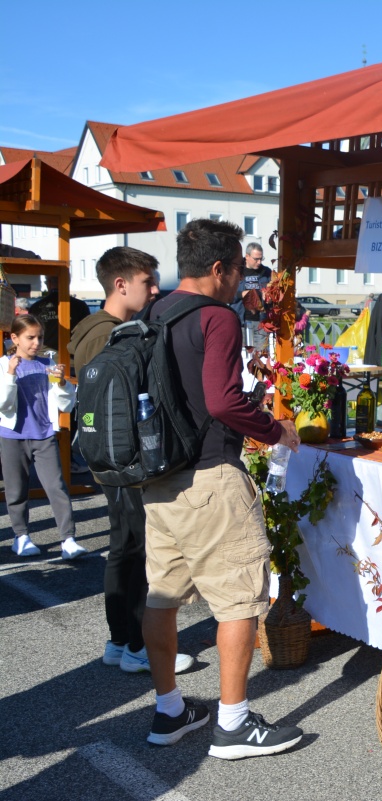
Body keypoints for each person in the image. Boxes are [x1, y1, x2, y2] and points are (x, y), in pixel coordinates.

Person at [139, 218, 302, 759]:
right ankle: (232, 724)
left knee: (162, 597)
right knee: (237, 600)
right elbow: (222, 402)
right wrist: (273, 428)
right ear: (218, 269)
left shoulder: (154, 310)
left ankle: (169, 711)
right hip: (209, 474)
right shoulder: (216, 318)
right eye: (237, 273)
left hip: (158, 478)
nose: (241, 284)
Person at [69, 247, 196, 675]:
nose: (156, 288)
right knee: (139, 549)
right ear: (121, 285)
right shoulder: (110, 333)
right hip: (121, 456)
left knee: (123, 547)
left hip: (106, 455)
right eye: (148, 281)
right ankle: (139, 645)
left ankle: (121, 640)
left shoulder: (95, 328)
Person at [0, 315, 81, 558]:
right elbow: (3, 404)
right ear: (14, 338)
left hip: (44, 435)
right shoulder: (4, 364)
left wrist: (64, 384)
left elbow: (66, 406)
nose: (36, 342)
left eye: (40, 337)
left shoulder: (48, 364)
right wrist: (11, 374)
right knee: (16, 490)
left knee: (56, 487)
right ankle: (21, 536)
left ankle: (68, 539)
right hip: (11, 435)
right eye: (30, 337)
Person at [27, 274, 92, 353]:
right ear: (68, 282)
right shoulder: (80, 306)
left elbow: (29, 333)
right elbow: (87, 333)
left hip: (44, 356)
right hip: (71, 356)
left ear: (49, 283)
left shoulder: (36, 307)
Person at [229, 242, 272, 350]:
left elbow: (273, 295)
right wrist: (241, 294)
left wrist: (269, 297)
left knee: (261, 355)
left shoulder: (266, 272)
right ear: (247, 256)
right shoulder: (236, 271)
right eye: (256, 259)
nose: (259, 262)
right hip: (240, 322)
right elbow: (227, 296)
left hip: (260, 322)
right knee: (240, 354)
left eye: (261, 259)